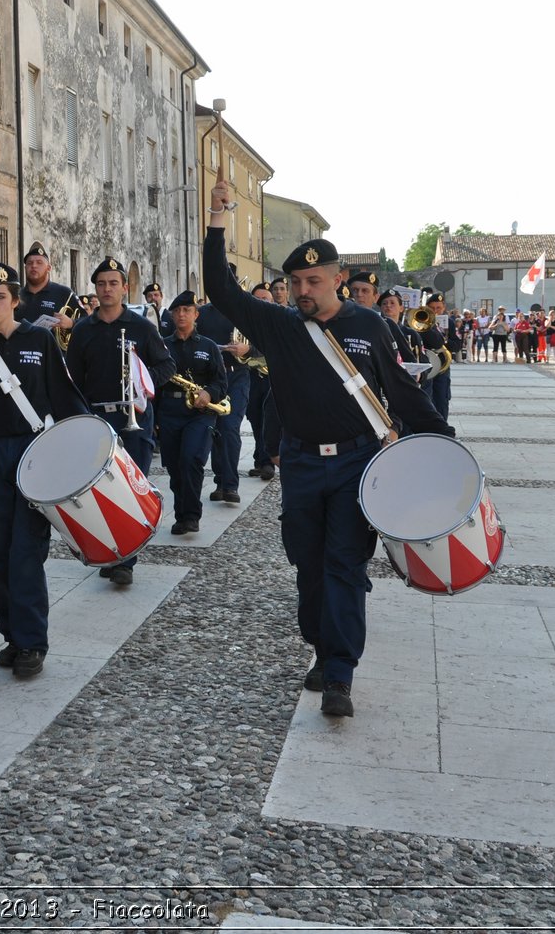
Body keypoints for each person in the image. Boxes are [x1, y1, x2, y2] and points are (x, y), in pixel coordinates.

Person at [203, 179, 452, 719]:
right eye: (295, 282)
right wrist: (218, 218)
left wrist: (444, 446)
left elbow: (404, 392)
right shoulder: (282, 325)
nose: (303, 291)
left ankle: (339, 672)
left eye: (313, 281)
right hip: (300, 463)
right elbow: (221, 292)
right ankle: (320, 643)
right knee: (308, 563)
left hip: (358, 463)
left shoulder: (370, 325)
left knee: (343, 562)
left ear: (339, 279)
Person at [0, 262, 89, 679]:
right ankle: (11, 636)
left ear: (15, 301)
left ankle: (32, 641)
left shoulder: (40, 340)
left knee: (26, 550)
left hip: (33, 452)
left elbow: (63, 396)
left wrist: (81, 444)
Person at [66, 257, 174, 584]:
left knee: (131, 488)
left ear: (125, 288)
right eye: (101, 284)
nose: (107, 289)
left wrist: (143, 382)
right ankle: (111, 549)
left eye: (113, 283)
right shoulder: (84, 329)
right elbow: (73, 378)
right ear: (95, 289)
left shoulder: (142, 327)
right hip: (98, 418)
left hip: (135, 417)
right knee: (100, 491)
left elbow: (166, 366)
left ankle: (126, 560)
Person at [160, 291, 227, 536]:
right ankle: (181, 513)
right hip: (169, 411)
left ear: (196, 314)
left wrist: (208, 393)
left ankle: (190, 516)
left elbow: (221, 382)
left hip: (200, 413)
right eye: (177, 311)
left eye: (186, 310)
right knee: (175, 466)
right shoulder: (161, 345)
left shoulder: (208, 346)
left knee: (191, 460)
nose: (181, 314)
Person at [198, 266, 256, 508]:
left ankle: (230, 484)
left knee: (230, 427)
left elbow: (266, 344)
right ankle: (221, 480)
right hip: (211, 379)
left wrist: (248, 350)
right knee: (216, 430)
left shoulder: (247, 311)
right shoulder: (201, 314)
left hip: (237, 376)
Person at [245, 281, 277, 481]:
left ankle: (268, 462)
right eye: (257, 299)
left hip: (272, 377)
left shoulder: (277, 322)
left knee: (269, 419)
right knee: (254, 419)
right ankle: (260, 459)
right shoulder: (245, 322)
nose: (261, 303)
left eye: (265, 299)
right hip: (250, 377)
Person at [16, 242, 81, 335]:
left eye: (39, 262)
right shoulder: (16, 296)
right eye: (30, 263)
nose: (34, 266)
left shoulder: (64, 293)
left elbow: (86, 320)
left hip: (54, 349)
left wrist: (72, 323)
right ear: (25, 267)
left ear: (49, 268)